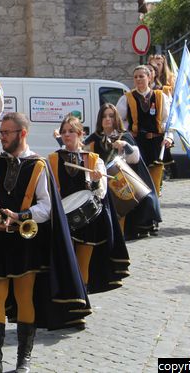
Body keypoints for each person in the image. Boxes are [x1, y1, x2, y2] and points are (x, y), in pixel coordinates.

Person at [0, 112, 91, 373]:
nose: (1, 137)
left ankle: (23, 360)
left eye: (7, 132)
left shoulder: (38, 166)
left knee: (24, 297)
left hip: (25, 243)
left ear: (22, 134)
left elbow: (46, 207)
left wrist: (19, 216)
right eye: (1, 132)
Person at [48, 115, 130, 293]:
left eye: (71, 131)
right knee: (66, 261)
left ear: (80, 134)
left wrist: (95, 180)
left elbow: (100, 193)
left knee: (83, 262)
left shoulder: (93, 160)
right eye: (63, 132)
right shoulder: (52, 160)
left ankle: (82, 297)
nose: (67, 135)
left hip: (88, 221)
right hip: (62, 217)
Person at [84, 103, 161, 239]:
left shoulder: (123, 136)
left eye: (111, 116)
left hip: (123, 180)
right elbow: (81, 150)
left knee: (142, 200)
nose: (107, 119)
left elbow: (135, 158)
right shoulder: (95, 137)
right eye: (104, 116)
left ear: (116, 119)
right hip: (102, 180)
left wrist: (125, 146)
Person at [116, 65, 173, 225]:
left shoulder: (161, 96)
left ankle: (153, 219)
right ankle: (140, 221)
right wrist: (125, 137)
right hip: (136, 145)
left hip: (156, 143)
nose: (139, 79)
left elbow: (168, 121)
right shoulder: (127, 98)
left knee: (154, 184)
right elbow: (120, 121)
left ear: (150, 78)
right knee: (139, 183)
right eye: (136, 77)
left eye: (142, 76)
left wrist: (169, 137)